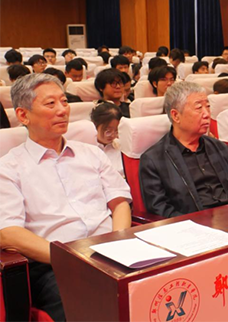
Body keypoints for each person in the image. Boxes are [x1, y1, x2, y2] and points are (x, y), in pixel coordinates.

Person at [0, 74, 131, 321]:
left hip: (112, 250)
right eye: (50, 104)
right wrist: (73, 259)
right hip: (54, 264)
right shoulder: (8, 168)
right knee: (97, 310)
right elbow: (8, 233)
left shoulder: (91, 153)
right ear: (23, 115)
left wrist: (118, 243)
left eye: (64, 101)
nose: (63, 110)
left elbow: (119, 202)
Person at [139, 82, 228, 217]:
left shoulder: (218, 147)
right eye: (199, 108)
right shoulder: (154, 160)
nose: (207, 114)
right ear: (175, 116)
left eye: (208, 107)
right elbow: (160, 209)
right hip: (192, 224)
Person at [91, 103, 124, 177]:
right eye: (108, 131)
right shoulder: (88, 148)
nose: (113, 135)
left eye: (116, 130)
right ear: (95, 125)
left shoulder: (121, 146)